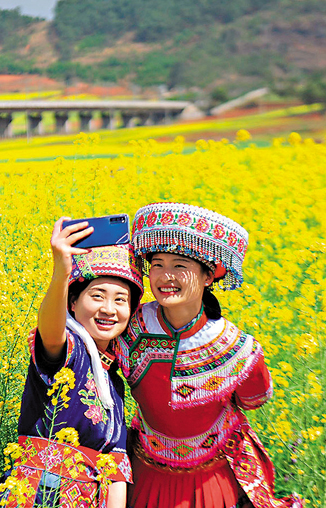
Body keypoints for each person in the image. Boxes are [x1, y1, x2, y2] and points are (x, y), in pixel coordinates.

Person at [116, 202, 303, 508]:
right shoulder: (130, 326)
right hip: (145, 469)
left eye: (180, 266)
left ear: (209, 276)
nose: (165, 276)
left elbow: (254, 398)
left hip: (213, 480)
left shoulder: (236, 348)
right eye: (157, 265)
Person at [0, 218, 143, 508]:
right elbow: (51, 334)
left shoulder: (113, 380)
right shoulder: (70, 351)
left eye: (120, 300)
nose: (108, 309)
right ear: (73, 303)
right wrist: (61, 273)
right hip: (37, 495)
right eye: (97, 296)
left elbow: (116, 465)